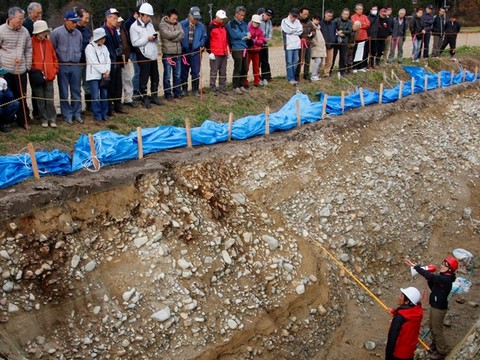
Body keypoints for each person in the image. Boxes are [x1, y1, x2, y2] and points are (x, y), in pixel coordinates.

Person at [405, 257, 458, 360]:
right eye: (443, 263)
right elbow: (434, 286)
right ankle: (435, 345)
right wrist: (428, 279)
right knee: (432, 326)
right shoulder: (443, 278)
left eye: (445, 265)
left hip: (439, 308)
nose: (441, 265)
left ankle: (442, 351)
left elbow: (432, 277)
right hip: (435, 306)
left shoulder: (446, 280)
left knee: (437, 330)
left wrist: (417, 267)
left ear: (450, 269)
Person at [0, 7, 32, 130]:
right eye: (19, 20)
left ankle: (23, 120)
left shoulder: (24, 31)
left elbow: (29, 49)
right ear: (11, 18)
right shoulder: (1, 30)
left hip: (21, 68)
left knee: (22, 95)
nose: (21, 22)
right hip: (5, 70)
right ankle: (7, 120)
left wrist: (28, 64)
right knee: (7, 97)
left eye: (22, 19)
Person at [51, 11, 82, 124]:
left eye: (76, 22)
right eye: (72, 22)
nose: (74, 24)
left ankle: (77, 113)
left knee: (76, 91)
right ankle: (67, 115)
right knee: (64, 91)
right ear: (66, 20)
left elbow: (80, 47)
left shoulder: (78, 34)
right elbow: (53, 49)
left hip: (75, 65)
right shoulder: (56, 33)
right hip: (62, 65)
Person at [130, 2, 162, 108]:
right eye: (146, 16)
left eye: (149, 16)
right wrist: (147, 39)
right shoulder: (134, 27)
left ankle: (154, 96)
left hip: (152, 54)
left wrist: (155, 38)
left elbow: (154, 38)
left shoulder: (150, 25)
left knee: (155, 76)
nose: (148, 18)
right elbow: (134, 42)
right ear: (140, 15)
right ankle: (144, 98)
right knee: (144, 78)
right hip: (143, 54)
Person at [31, 20, 58, 128]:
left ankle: (52, 118)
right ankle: (43, 118)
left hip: (49, 74)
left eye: (44, 32)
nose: (43, 35)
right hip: (37, 75)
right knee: (40, 99)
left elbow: (54, 57)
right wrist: (34, 70)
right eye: (41, 32)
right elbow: (29, 58)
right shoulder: (31, 42)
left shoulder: (48, 42)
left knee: (50, 98)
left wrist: (54, 69)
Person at [385, 287, 423, 360]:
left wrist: (388, 357)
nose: (399, 297)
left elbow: (392, 338)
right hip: (410, 352)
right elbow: (408, 314)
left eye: (401, 296)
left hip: (398, 353)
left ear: (407, 302)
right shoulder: (418, 312)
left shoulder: (399, 318)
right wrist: (394, 311)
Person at [103, 8, 126, 115]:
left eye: (117, 18)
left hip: (117, 61)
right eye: (114, 18)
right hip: (108, 62)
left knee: (118, 84)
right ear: (108, 18)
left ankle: (118, 104)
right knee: (109, 85)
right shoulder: (103, 30)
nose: (116, 20)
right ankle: (109, 107)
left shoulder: (115, 31)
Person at [180, 6, 207, 97]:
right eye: (194, 18)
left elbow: (204, 36)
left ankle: (195, 90)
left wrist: (201, 44)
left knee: (195, 72)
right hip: (184, 51)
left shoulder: (201, 26)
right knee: (184, 72)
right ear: (189, 16)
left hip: (195, 51)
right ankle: (184, 90)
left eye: (197, 19)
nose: (196, 20)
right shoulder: (182, 24)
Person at [85, 28, 111, 122]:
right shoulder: (89, 47)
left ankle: (104, 114)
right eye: (101, 38)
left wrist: (107, 71)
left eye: (104, 38)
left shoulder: (105, 48)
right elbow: (93, 62)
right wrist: (103, 71)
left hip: (104, 75)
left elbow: (108, 60)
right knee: (95, 96)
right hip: (93, 75)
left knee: (104, 94)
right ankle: (97, 115)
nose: (103, 40)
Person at [159, 8, 184, 101]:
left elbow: (182, 35)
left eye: (176, 19)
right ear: (168, 17)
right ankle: (168, 94)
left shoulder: (178, 24)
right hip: (168, 54)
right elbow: (168, 35)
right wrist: (177, 33)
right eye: (173, 18)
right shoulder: (162, 25)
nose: (175, 20)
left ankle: (177, 92)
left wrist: (173, 36)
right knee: (167, 75)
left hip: (178, 53)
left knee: (177, 74)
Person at [226, 6, 250, 94]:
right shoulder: (231, 23)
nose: (242, 17)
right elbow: (235, 35)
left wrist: (245, 35)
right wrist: (244, 35)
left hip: (244, 47)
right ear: (236, 14)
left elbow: (248, 32)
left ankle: (242, 84)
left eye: (243, 15)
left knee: (245, 67)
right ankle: (235, 86)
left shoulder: (244, 23)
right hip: (236, 48)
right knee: (238, 67)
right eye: (240, 15)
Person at [206, 10, 229, 95]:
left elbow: (226, 40)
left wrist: (228, 51)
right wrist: (209, 52)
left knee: (223, 71)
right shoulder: (211, 27)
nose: (223, 20)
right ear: (217, 17)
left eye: (224, 19)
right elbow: (208, 40)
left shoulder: (224, 27)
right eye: (221, 18)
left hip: (224, 53)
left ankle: (222, 87)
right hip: (215, 53)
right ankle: (212, 88)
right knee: (214, 71)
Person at [116, 16, 136, 108]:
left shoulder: (123, 29)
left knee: (127, 79)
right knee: (117, 82)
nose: (118, 23)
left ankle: (128, 98)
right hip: (116, 60)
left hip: (125, 58)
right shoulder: (109, 31)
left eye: (120, 22)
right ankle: (116, 101)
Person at [281, 8, 303, 85]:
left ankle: (293, 76)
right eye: (293, 16)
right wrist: (295, 30)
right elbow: (287, 30)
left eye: (296, 16)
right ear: (290, 14)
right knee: (289, 62)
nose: (294, 18)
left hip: (297, 44)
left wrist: (293, 31)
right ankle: (290, 77)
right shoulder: (284, 21)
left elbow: (300, 31)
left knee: (296, 61)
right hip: (289, 45)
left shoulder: (298, 21)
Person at [76, 8, 92, 112]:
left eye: (88, 19)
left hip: (87, 62)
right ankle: (77, 108)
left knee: (87, 85)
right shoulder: (75, 30)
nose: (87, 21)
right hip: (77, 62)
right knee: (76, 86)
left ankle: (89, 106)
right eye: (85, 18)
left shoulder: (87, 30)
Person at [124, 7, 141, 100]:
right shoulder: (129, 23)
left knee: (140, 71)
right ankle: (135, 90)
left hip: (139, 50)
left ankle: (137, 89)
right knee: (137, 71)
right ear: (136, 13)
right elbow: (129, 39)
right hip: (133, 50)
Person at [244, 14, 265, 88]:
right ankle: (245, 82)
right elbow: (247, 40)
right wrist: (256, 41)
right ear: (252, 22)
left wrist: (254, 41)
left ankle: (257, 81)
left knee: (256, 67)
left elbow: (262, 41)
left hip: (256, 51)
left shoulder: (260, 31)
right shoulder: (247, 29)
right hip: (249, 51)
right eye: (255, 22)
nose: (256, 24)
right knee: (246, 67)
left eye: (258, 23)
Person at [295, 7, 315, 81]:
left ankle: (306, 74)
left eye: (307, 14)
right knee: (300, 60)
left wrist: (312, 34)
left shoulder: (309, 22)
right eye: (304, 14)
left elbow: (314, 30)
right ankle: (297, 75)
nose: (306, 15)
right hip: (300, 44)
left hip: (308, 43)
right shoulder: (297, 21)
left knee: (308, 59)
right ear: (300, 13)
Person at [350, 4, 370, 72]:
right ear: (355, 10)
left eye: (361, 9)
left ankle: (361, 66)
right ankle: (354, 67)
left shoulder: (364, 16)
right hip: (357, 37)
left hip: (364, 37)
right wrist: (362, 24)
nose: (360, 10)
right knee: (355, 52)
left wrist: (360, 25)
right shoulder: (353, 16)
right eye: (359, 9)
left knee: (363, 53)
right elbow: (355, 24)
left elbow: (368, 24)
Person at [333, 8, 352, 76]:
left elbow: (350, 31)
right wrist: (338, 32)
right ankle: (330, 70)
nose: (345, 15)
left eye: (347, 14)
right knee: (333, 56)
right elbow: (333, 27)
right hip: (336, 41)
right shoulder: (336, 20)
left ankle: (342, 71)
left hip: (344, 41)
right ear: (342, 14)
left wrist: (343, 32)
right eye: (344, 14)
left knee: (343, 57)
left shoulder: (349, 22)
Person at [0, 67, 20, 133]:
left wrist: (5, 90)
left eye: (3, 75)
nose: (3, 76)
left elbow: (11, 97)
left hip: (3, 106)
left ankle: (3, 123)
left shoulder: (3, 82)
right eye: (1, 75)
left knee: (15, 103)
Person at [258, 8, 273, 85]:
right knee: (258, 62)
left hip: (265, 44)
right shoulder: (258, 19)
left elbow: (270, 30)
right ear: (264, 13)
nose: (267, 16)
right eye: (267, 14)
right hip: (258, 44)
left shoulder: (269, 22)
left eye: (269, 15)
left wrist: (269, 38)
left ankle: (266, 77)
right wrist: (262, 38)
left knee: (265, 61)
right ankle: (257, 78)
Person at [310, 14, 326, 81]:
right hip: (316, 47)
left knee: (320, 62)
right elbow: (310, 37)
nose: (317, 21)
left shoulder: (319, 28)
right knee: (318, 61)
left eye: (318, 20)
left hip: (321, 47)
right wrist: (315, 43)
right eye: (316, 19)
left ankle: (316, 74)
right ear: (313, 19)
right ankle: (313, 75)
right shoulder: (311, 26)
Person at [320, 10, 335, 77]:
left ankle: (326, 73)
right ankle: (318, 73)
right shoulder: (320, 23)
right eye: (328, 16)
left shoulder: (333, 23)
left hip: (331, 44)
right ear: (325, 15)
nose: (330, 17)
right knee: (320, 60)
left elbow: (335, 32)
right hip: (322, 45)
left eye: (331, 16)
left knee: (329, 61)